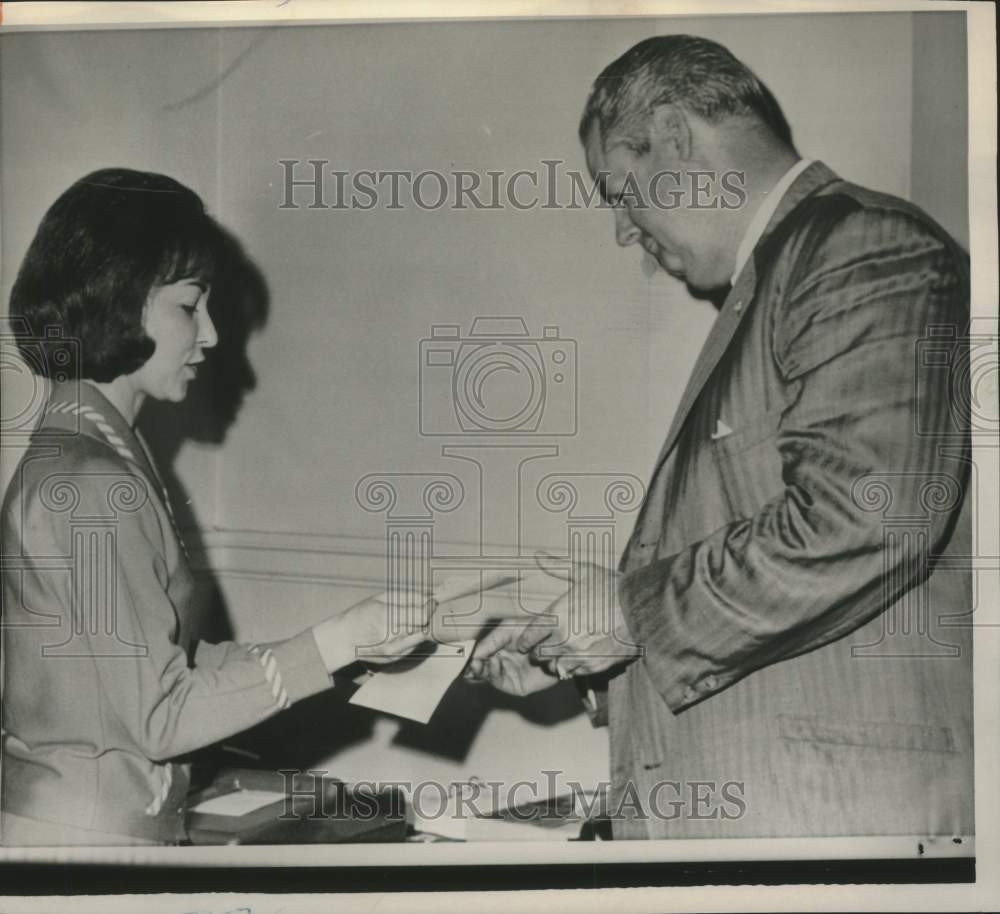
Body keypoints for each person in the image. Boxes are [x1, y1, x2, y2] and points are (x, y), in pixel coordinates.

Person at [467, 35, 973, 840]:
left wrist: (628, 616)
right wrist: (588, 658)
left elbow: (869, 516)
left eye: (619, 193)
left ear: (671, 135)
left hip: (835, 817)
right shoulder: (788, 270)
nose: (624, 234)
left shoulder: (862, 248)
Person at [1, 168, 433, 846]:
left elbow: (161, 669)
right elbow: (160, 715)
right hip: (83, 843)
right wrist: (336, 641)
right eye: (189, 306)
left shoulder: (94, 455)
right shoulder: (89, 482)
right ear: (119, 296)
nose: (211, 336)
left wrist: (350, 646)